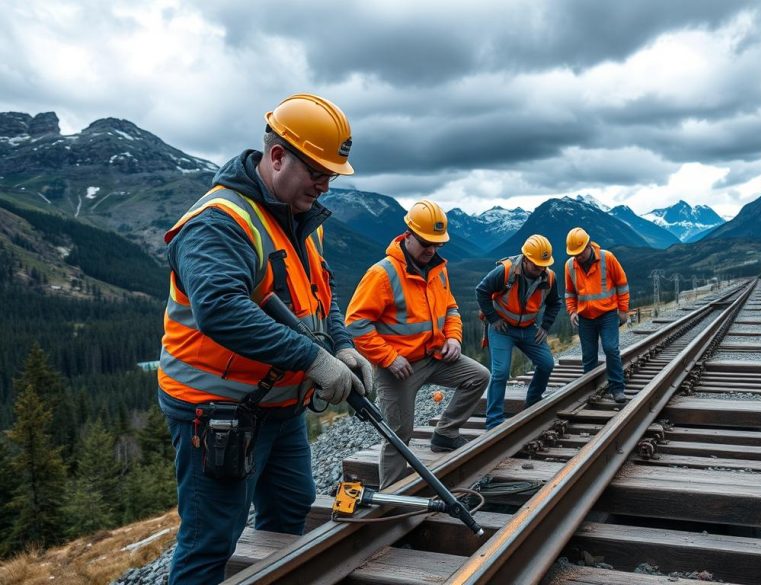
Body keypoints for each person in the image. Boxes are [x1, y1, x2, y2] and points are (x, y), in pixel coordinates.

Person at [157, 93, 375, 585]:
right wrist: (314, 361)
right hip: (217, 411)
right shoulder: (218, 222)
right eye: (316, 171)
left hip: (279, 406)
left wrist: (340, 344)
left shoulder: (298, 217)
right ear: (277, 157)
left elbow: (322, 297)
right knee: (211, 540)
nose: (324, 185)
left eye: (330, 175)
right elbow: (220, 311)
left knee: (291, 511)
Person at [346, 199, 489, 488]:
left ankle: (445, 434)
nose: (432, 250)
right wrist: (387, 358)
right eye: (426, 243)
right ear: (408, 234)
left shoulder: (437, 269)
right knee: (398, 435)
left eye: (438, 244)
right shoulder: (382, 274)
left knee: (478, 376)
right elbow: (356, 323)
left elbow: (451, 309)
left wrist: (453, 337)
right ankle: (392, 497)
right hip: (398, 366)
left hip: (435, 355)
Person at [475, 234, 561, 429]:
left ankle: (533, 402)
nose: (540, 270)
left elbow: (555, 303)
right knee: (500, 373)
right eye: (536, 265)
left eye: (543, 266)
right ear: (525, 259)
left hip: (528, 328)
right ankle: (494, 422)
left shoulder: (549, 277)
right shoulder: (505, 271)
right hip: (502, 328)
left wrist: (545, 327)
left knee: (547, 364)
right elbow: (482, 291)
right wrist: (493, 319)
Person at [563, 227, 630, 402]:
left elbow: (622, 285)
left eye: (580, 252)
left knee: (610, 349)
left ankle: (617, 388)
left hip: (608, 314)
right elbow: (570, 293)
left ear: (588, 245)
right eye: (574, 253)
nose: (578, 256)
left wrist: (623, 311)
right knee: (589, 355)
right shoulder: (570, 266)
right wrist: (571, 312)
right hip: (585, 317)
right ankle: (590, 391)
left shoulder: (607, 258)